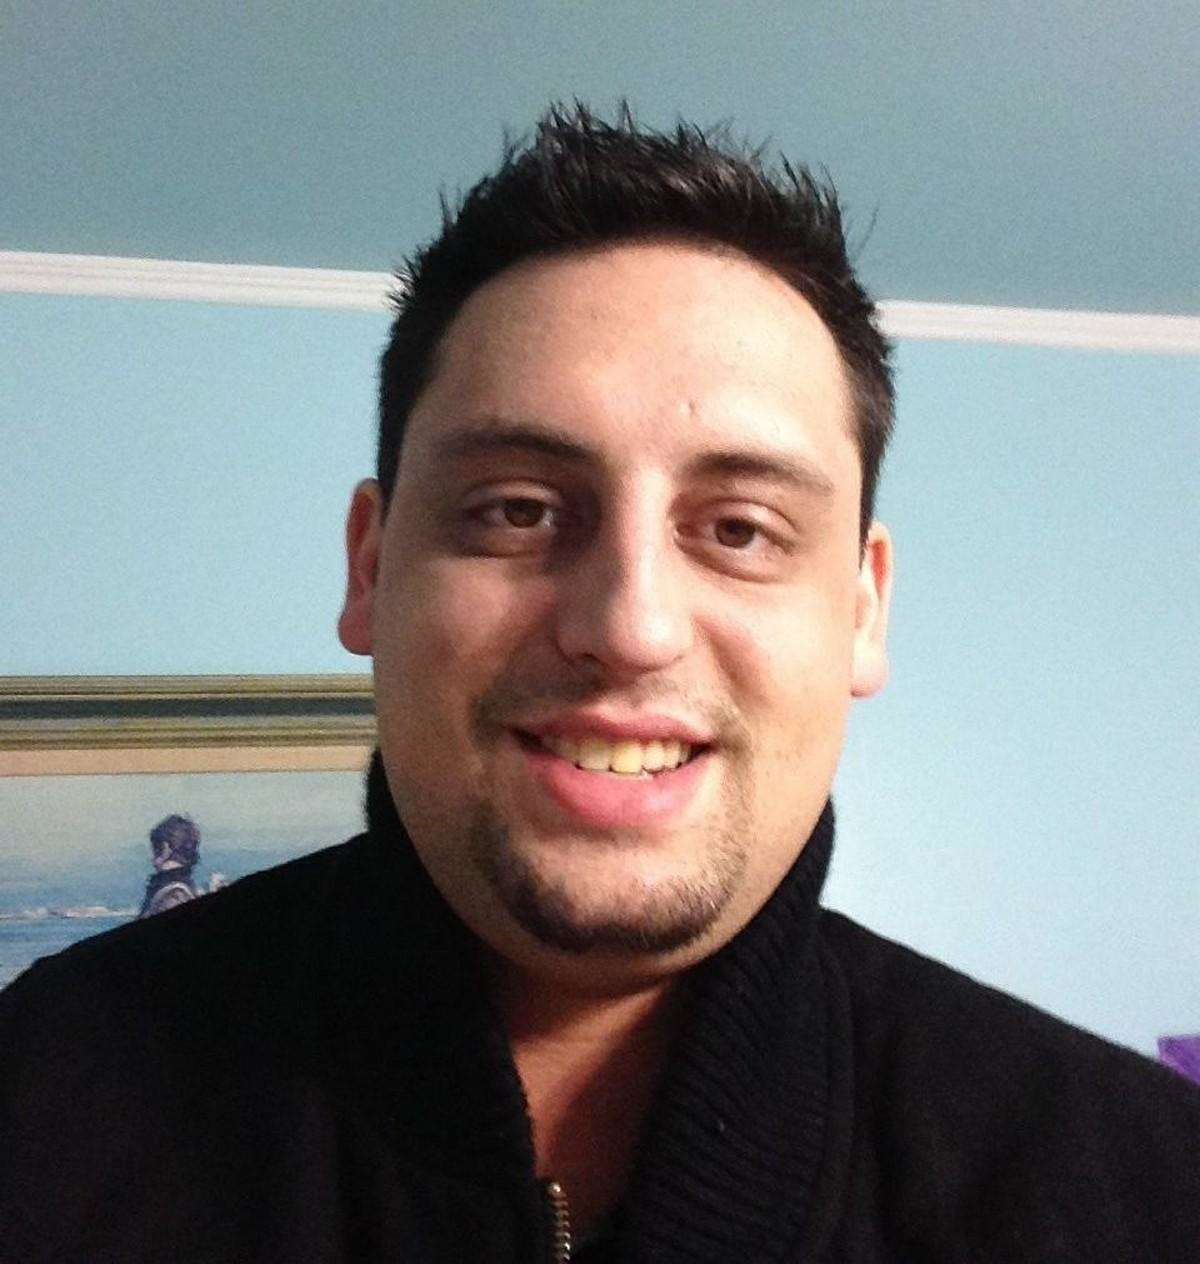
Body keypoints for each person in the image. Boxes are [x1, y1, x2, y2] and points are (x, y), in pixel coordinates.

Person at [1, 104, 1197, 1262]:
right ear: (370, 566)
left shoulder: (1147, 1184)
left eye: (739, 528)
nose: (631, 627)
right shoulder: (38, 1103)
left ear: (861, 609)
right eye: (517, 510)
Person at [137, 814, 203, 918]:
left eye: (155, 848)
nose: (152, 857)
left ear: (165, 848)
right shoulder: (181, 888)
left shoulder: (174, 894)